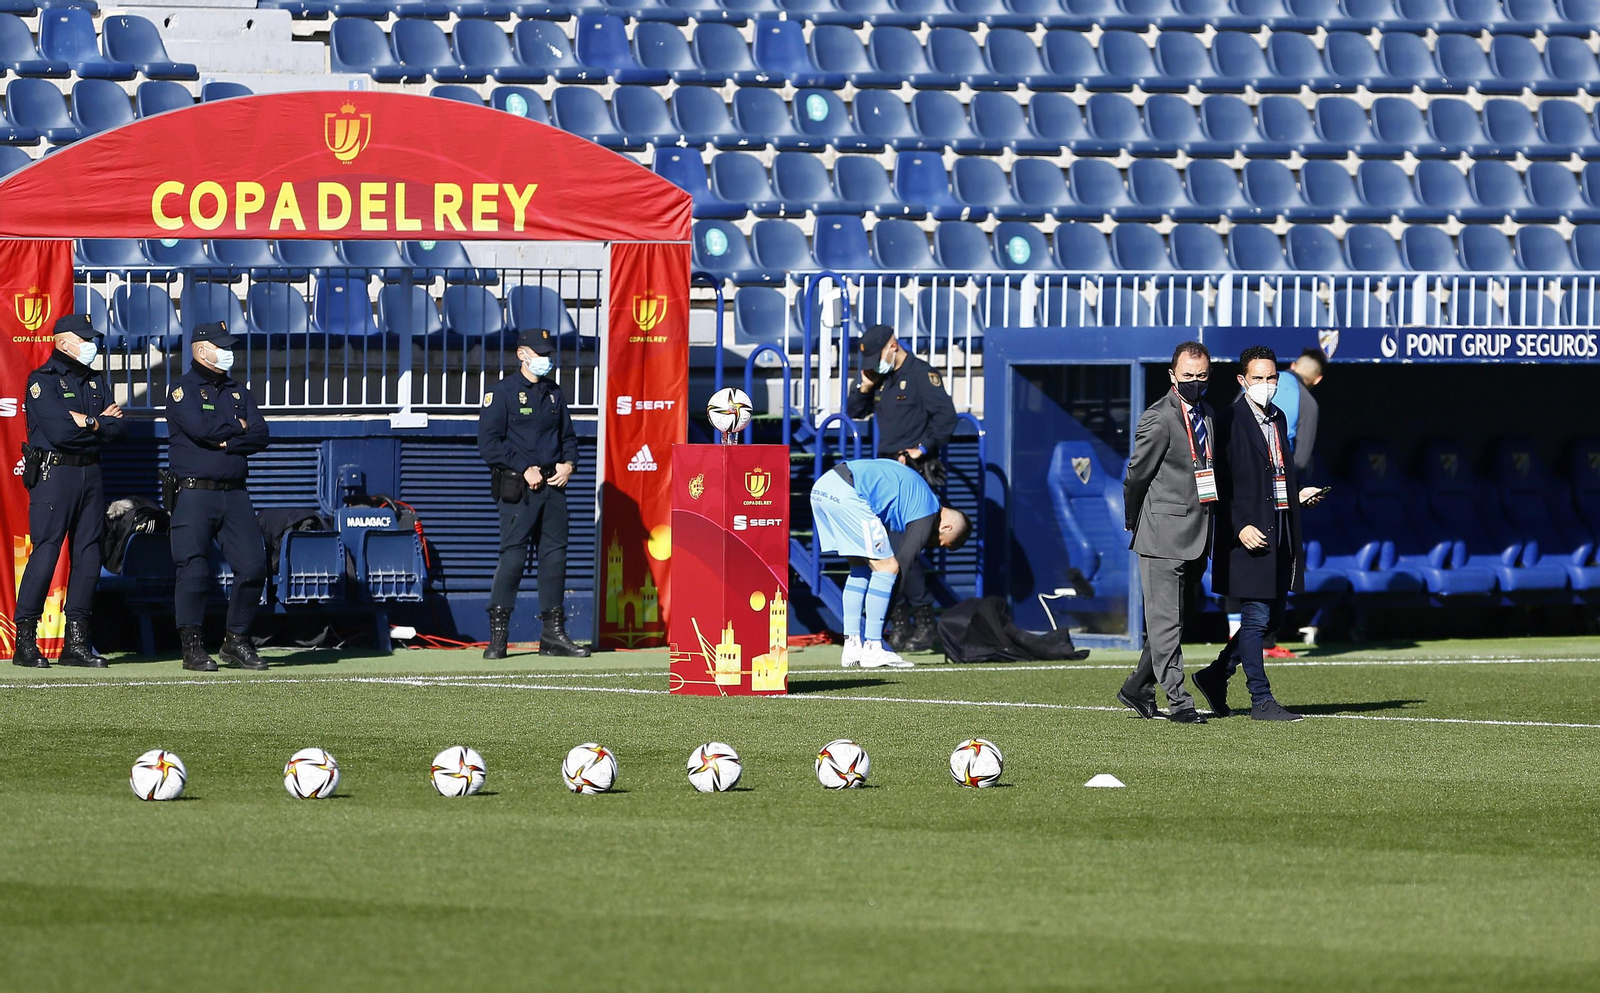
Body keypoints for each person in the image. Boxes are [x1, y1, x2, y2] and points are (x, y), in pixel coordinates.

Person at [1190, 345, 1325, 722]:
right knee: (1256, 617)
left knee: (1273, 618)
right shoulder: (1228, 421)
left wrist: (1297, 496)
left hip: (1280, 525)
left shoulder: (1278, 417)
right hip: (1246, 533)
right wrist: (1238, 526)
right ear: (1242, 380)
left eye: (1271, 378)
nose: (1266, 385)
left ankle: (1215, 675)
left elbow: (1278, 475)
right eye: (1258, 378)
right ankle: (1261, 699)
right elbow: (1219, 485)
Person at [11, 314, 125, 669]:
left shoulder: (94, 381)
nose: (91, 345)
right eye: (84, 338)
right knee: (46, 553)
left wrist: (88, 421)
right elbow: (61, 434)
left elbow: (119, 428)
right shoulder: (42, 382)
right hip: (55, 474)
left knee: (89, 554)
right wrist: (99, 423)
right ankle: (25, 641)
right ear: (63, 342)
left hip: (91, 472)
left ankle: (76, 643)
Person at [1117, 341, 1215, 725]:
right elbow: (1136, 475)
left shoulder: (1207, 413)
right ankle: (1180, 701)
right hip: (1161, 531)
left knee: (1173, 622)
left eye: (1201, 376)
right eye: (1188, 376)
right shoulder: (1159, 418)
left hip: (1198, 530)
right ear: (1173, 375)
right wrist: (1134, 519)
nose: (1194, 382)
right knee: (1165, 623)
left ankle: (1136, 686)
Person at [165, 321, 271, 672]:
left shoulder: (238, 390)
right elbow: (200, 429)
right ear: (201, 350)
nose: (228, 352)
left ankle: (235, 640)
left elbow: (261, 434)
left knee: (254, 566)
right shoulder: (182, 389)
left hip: (235, 494)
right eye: (221, 346)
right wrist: (237, 429)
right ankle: (192, 646)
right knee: (193, 570)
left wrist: (230, 436)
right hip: (195, 493)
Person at [845, 324, 958, 653]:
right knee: (884, 550)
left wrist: (921, 449)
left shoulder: (922, 374)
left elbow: (945, 417)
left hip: (912, 474)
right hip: (885, 476)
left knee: (903, 550)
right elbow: (854, 412)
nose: (871, 362)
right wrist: (864, 386)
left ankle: (923, 623)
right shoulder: (882, 378)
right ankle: (900, 623)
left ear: (893, 345)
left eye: (876, 355)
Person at [477, 328, 588, 660]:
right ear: (522, 355)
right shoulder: (502, 393)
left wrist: (569, 464)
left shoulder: (554, 393)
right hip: (518, 489)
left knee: (554, 558)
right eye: (540, 354)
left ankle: (553, 635)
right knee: (513, 557)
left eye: (548, 354)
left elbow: (567, 436)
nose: (547, 360)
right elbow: (489, 444)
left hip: (553, 486)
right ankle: (498, 638)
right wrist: (524, 467)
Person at [808, 457, 970, 670]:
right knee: (889, 568)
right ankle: (873, 648)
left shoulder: (914, 496)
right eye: (941, 542)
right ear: (947, 527)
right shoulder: (927, 510)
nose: (935, 544)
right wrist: (881, 623)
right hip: (847, 492)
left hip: (824, 487)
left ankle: (852, 645)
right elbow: (901, 567)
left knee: (860, 569)